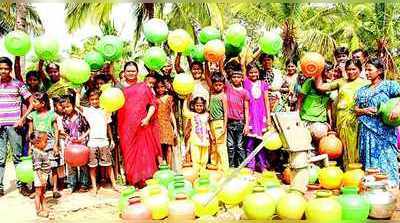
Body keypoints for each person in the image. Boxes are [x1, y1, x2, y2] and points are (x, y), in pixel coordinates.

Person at [316, 59, 369, 167]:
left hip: (359, 119)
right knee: (344, 147)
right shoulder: (341, 82)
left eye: (354, 69)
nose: (351, 72)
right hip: (342, 119)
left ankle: (358, 172)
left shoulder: (366, 83)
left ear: (360, 69)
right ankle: (347, 172)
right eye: (348, 69)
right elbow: (320, 87)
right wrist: (317, 70)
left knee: (358, 146)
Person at [355, 57, 400, 185]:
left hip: (384, 130)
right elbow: (356, 109)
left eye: (370, 70)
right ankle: (372, 189)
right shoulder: (362, 90)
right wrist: (364, 111)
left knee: (387, 157)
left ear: (379, 71)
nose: (367, 73)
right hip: (366, 130)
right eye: (366, 70)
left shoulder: (390, 85)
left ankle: (391, 188)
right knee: (367, 157)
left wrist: (397, 107)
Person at [118, 61, 162, 187]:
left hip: (142, 125)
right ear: (124, 73)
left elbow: (153, 104)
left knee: (144, 152)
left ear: (137, 72)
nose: (131, 73)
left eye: (133, 71)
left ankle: (144, 179)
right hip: (125, 127)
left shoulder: (143, 87)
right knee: (129, 153)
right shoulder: (118, 88)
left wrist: (147, 118)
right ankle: (132, 179)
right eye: (128, 71)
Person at [0, 57, 32, 197]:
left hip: (15, 126)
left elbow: (32, 102)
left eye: (6, 68)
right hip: (0, 127)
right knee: (0, 158)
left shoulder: (18, 84)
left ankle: (22, 185)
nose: (3, 71)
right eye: (1, 68)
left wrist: (22, 119)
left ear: (10, 69)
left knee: (17, 157)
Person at [76, 89, 118, 193]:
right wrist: (77, 93)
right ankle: (94, 187)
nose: (95, 101)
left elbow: (108, 126)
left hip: (104, 141)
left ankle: (114, 185)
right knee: (92, 166)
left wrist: (111, 139)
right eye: (92, 99)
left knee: (108, 165)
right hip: (92, 142)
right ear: (89, 100)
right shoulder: (88, 110)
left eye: (96, 99)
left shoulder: (106, 110)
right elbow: (77, 105)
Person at [25, 92, 61, 198]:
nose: (33, 104)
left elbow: (56, 131)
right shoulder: (32, 116)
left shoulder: (51, 115)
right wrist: (31, 146)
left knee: (53, 165)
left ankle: (55, 188)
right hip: (37, 144)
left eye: (35, 102)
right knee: (38, 167)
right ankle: (38, 190)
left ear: (43, 103)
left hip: (49, 142)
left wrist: (55, 145)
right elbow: (31, 132)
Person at [59, 93, 90, 193]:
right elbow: (64, 133)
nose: (66, 109)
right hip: (70, 145)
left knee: (83, 165)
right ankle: (72, 184)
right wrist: (68, 137)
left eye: (68, 106)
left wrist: (81, 137)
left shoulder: (81, 116)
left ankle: (84, 184)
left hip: (81, 144)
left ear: (73, 105)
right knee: (71, 164)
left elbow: (88, 129)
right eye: (64, 108)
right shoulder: (63, 119)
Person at [243, 63, 271, 171]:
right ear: (247, 74)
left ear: (259, 72)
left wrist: (268, 119)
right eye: (251, 72)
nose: (253, 74)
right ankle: (251, 166)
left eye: (255, 72)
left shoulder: (263, 84)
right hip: (251, 117)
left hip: (261, 117)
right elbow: (246, 105)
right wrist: (246, 123)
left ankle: (263, 166)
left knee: (261, 143)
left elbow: (267, 101)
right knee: (249, 144)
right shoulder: (246, 83)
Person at [204, 67, 229, 172]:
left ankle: (225, 167)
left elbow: (226, 112)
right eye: (216, 84)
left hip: (220, 122)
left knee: (221, 146)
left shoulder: (223, 96)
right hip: (211, 122)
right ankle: (214, 164)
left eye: (220, 84)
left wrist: (224, 126)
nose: (218, 87)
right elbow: (207, 76)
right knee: (213, 144)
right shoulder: (211, 93)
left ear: (223, 85)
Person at [225, 70, 250, 167]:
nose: (236, 79)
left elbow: (246, 109)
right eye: (234, 77)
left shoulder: (244, 92)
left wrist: (246, 124)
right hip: (229, 122)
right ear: (231, 78)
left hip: (240, 122)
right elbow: (222, 72)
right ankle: (231, 166)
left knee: (240, 146)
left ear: (242, 78)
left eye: (238, 77)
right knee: (230, 146)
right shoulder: (228, 88)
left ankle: (241, 166)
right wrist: (220, 61)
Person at [183, 97, 213, 172]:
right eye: (197, 105)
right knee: (196, 158)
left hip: (205, 140)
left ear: (203, 106)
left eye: (201, 105)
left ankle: (202, 173)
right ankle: (196, 174)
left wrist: (211, 135)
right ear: (193, 106)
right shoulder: (192, 114)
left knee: (204, 159)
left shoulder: (206, 115)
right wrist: (186, 99)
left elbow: (207, 125)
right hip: (195, 140)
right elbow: (184, 112)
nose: (199, 107)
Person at [155, 80, 178, 168]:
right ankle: (161, 167)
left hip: (167, 124)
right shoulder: (155, 98)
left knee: (169, 147)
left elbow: (171, 113)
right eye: (158, 87)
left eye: (162, 87)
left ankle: (169, 167)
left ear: (165, 88)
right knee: (159, 147)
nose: (160, 89)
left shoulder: (169, 98)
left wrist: (175, 128)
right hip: (157, 125)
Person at [30, 131, 51, 218]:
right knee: (38, 193)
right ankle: (38, 211)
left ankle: (44, 207)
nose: (46, 144)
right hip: (40, 175)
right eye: (45, 142)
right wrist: (41, 178)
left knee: (42, 193)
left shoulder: (40, 151)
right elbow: (37, 168)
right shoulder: (37, 153)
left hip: (43, 175)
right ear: (37, 143)